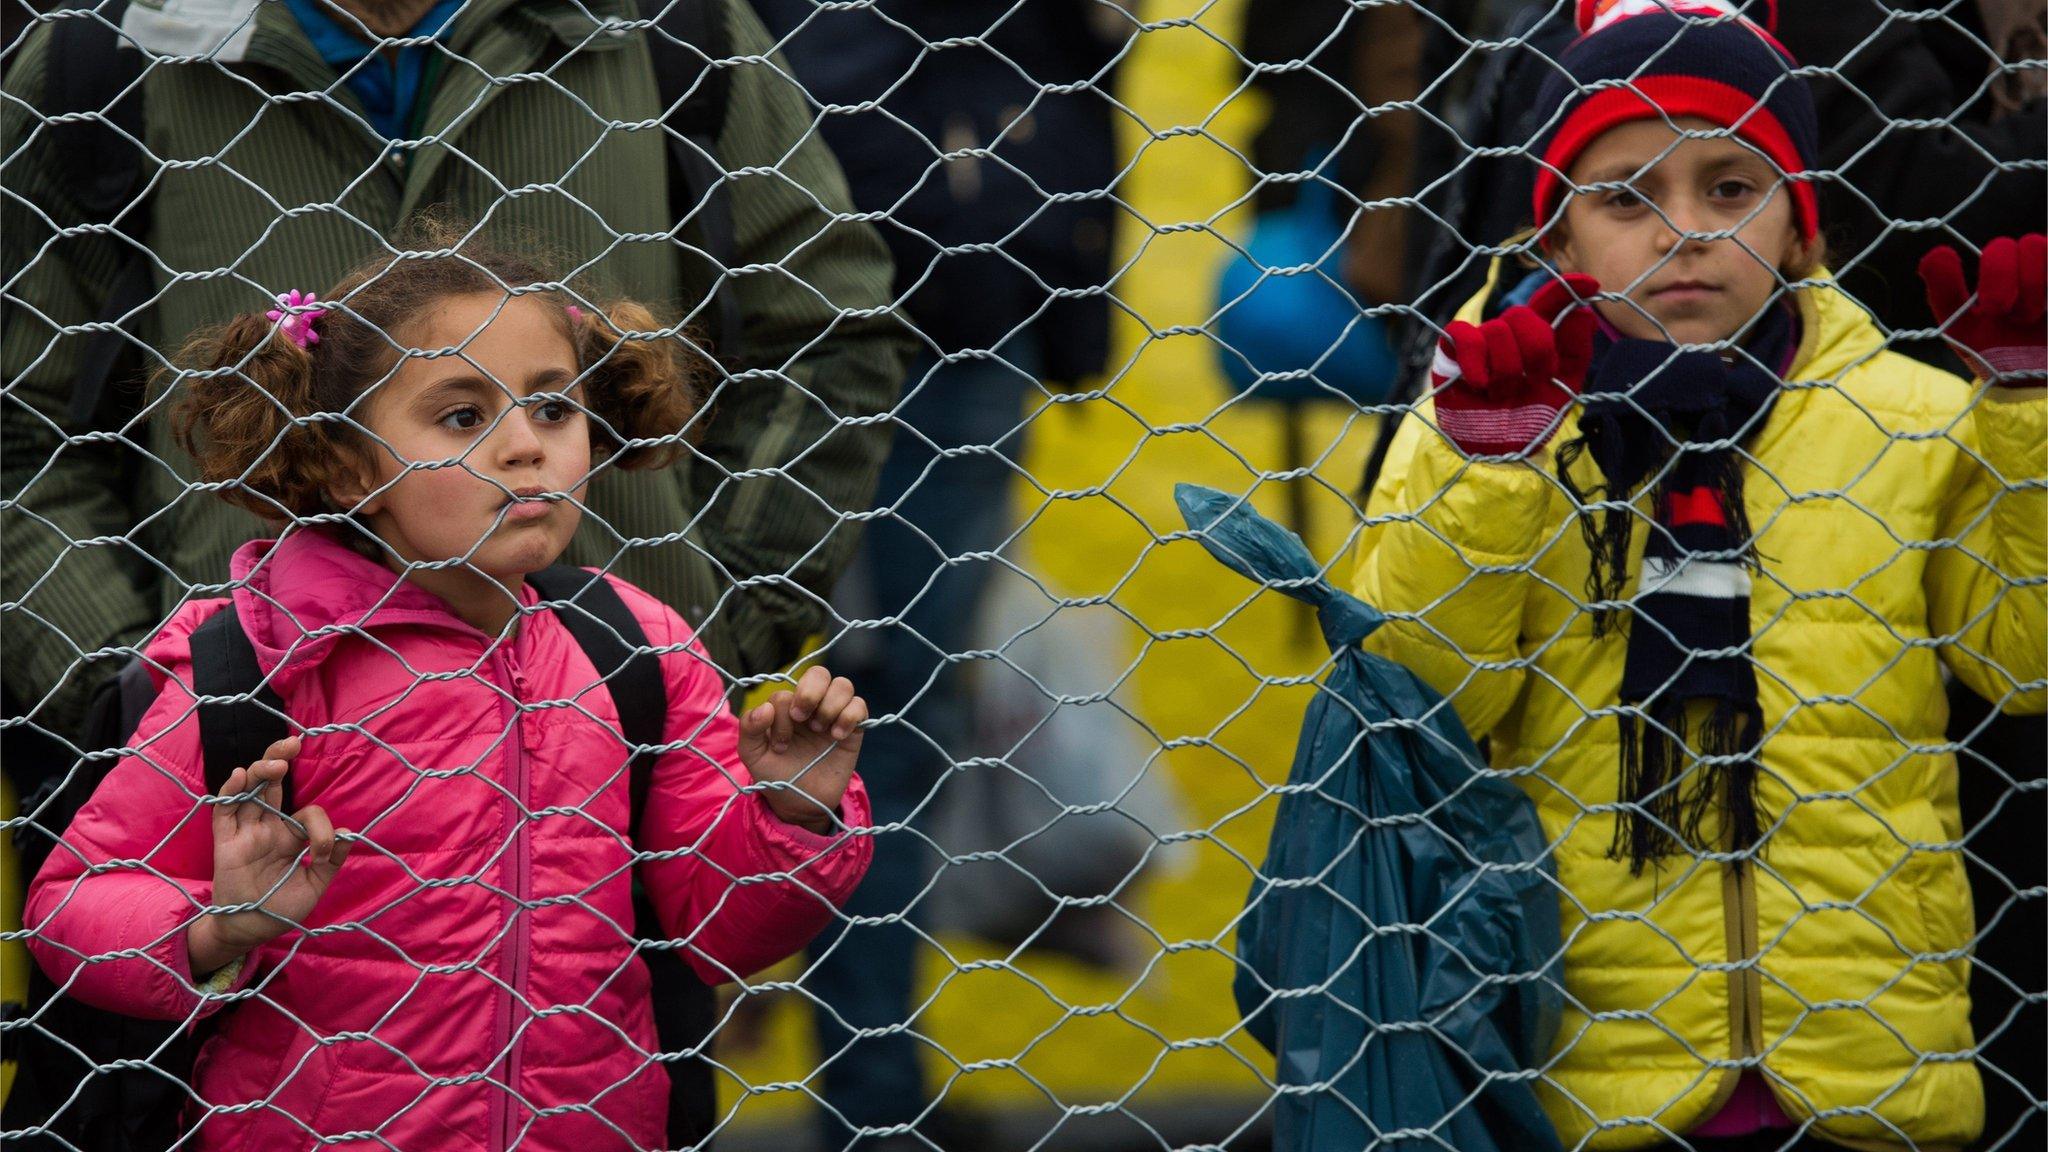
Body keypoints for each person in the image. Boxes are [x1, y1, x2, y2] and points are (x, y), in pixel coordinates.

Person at [1350, 2, 2045, 1150]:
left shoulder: (1914, 422)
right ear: (1555, 241)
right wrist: (1490, 478)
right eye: (1626, 195)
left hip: (1871, 1073)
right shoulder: (1484, 424)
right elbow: (1420, 700)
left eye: (1729, 190)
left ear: (1800, 229)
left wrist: (2021, 426)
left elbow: (2016, 665)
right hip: (1593, 1077)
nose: (1680, 230)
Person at [23, 232, 877, 1149]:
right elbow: (71, 907)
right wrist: (218, 925)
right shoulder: (263, 661)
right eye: (464, 417)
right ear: (352, 465)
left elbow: (720, 934)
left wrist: (790, 811)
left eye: (553, 407)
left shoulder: (636, 651)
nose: (524, 447)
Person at [1, 0, 911, 744]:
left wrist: (717, 622)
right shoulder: (106, 60)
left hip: (617, 764)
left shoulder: (665, 28)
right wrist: (124, 686)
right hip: (245, 780)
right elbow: (16, 423)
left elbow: (827, 336)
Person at [747, 3, 1130, 1145]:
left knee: (888, 719)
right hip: (784, 323)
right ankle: (828, 1089)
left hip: (959, 324)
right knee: (703, 714)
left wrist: (1064, 292)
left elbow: (1073, 58)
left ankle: (871, 1093)